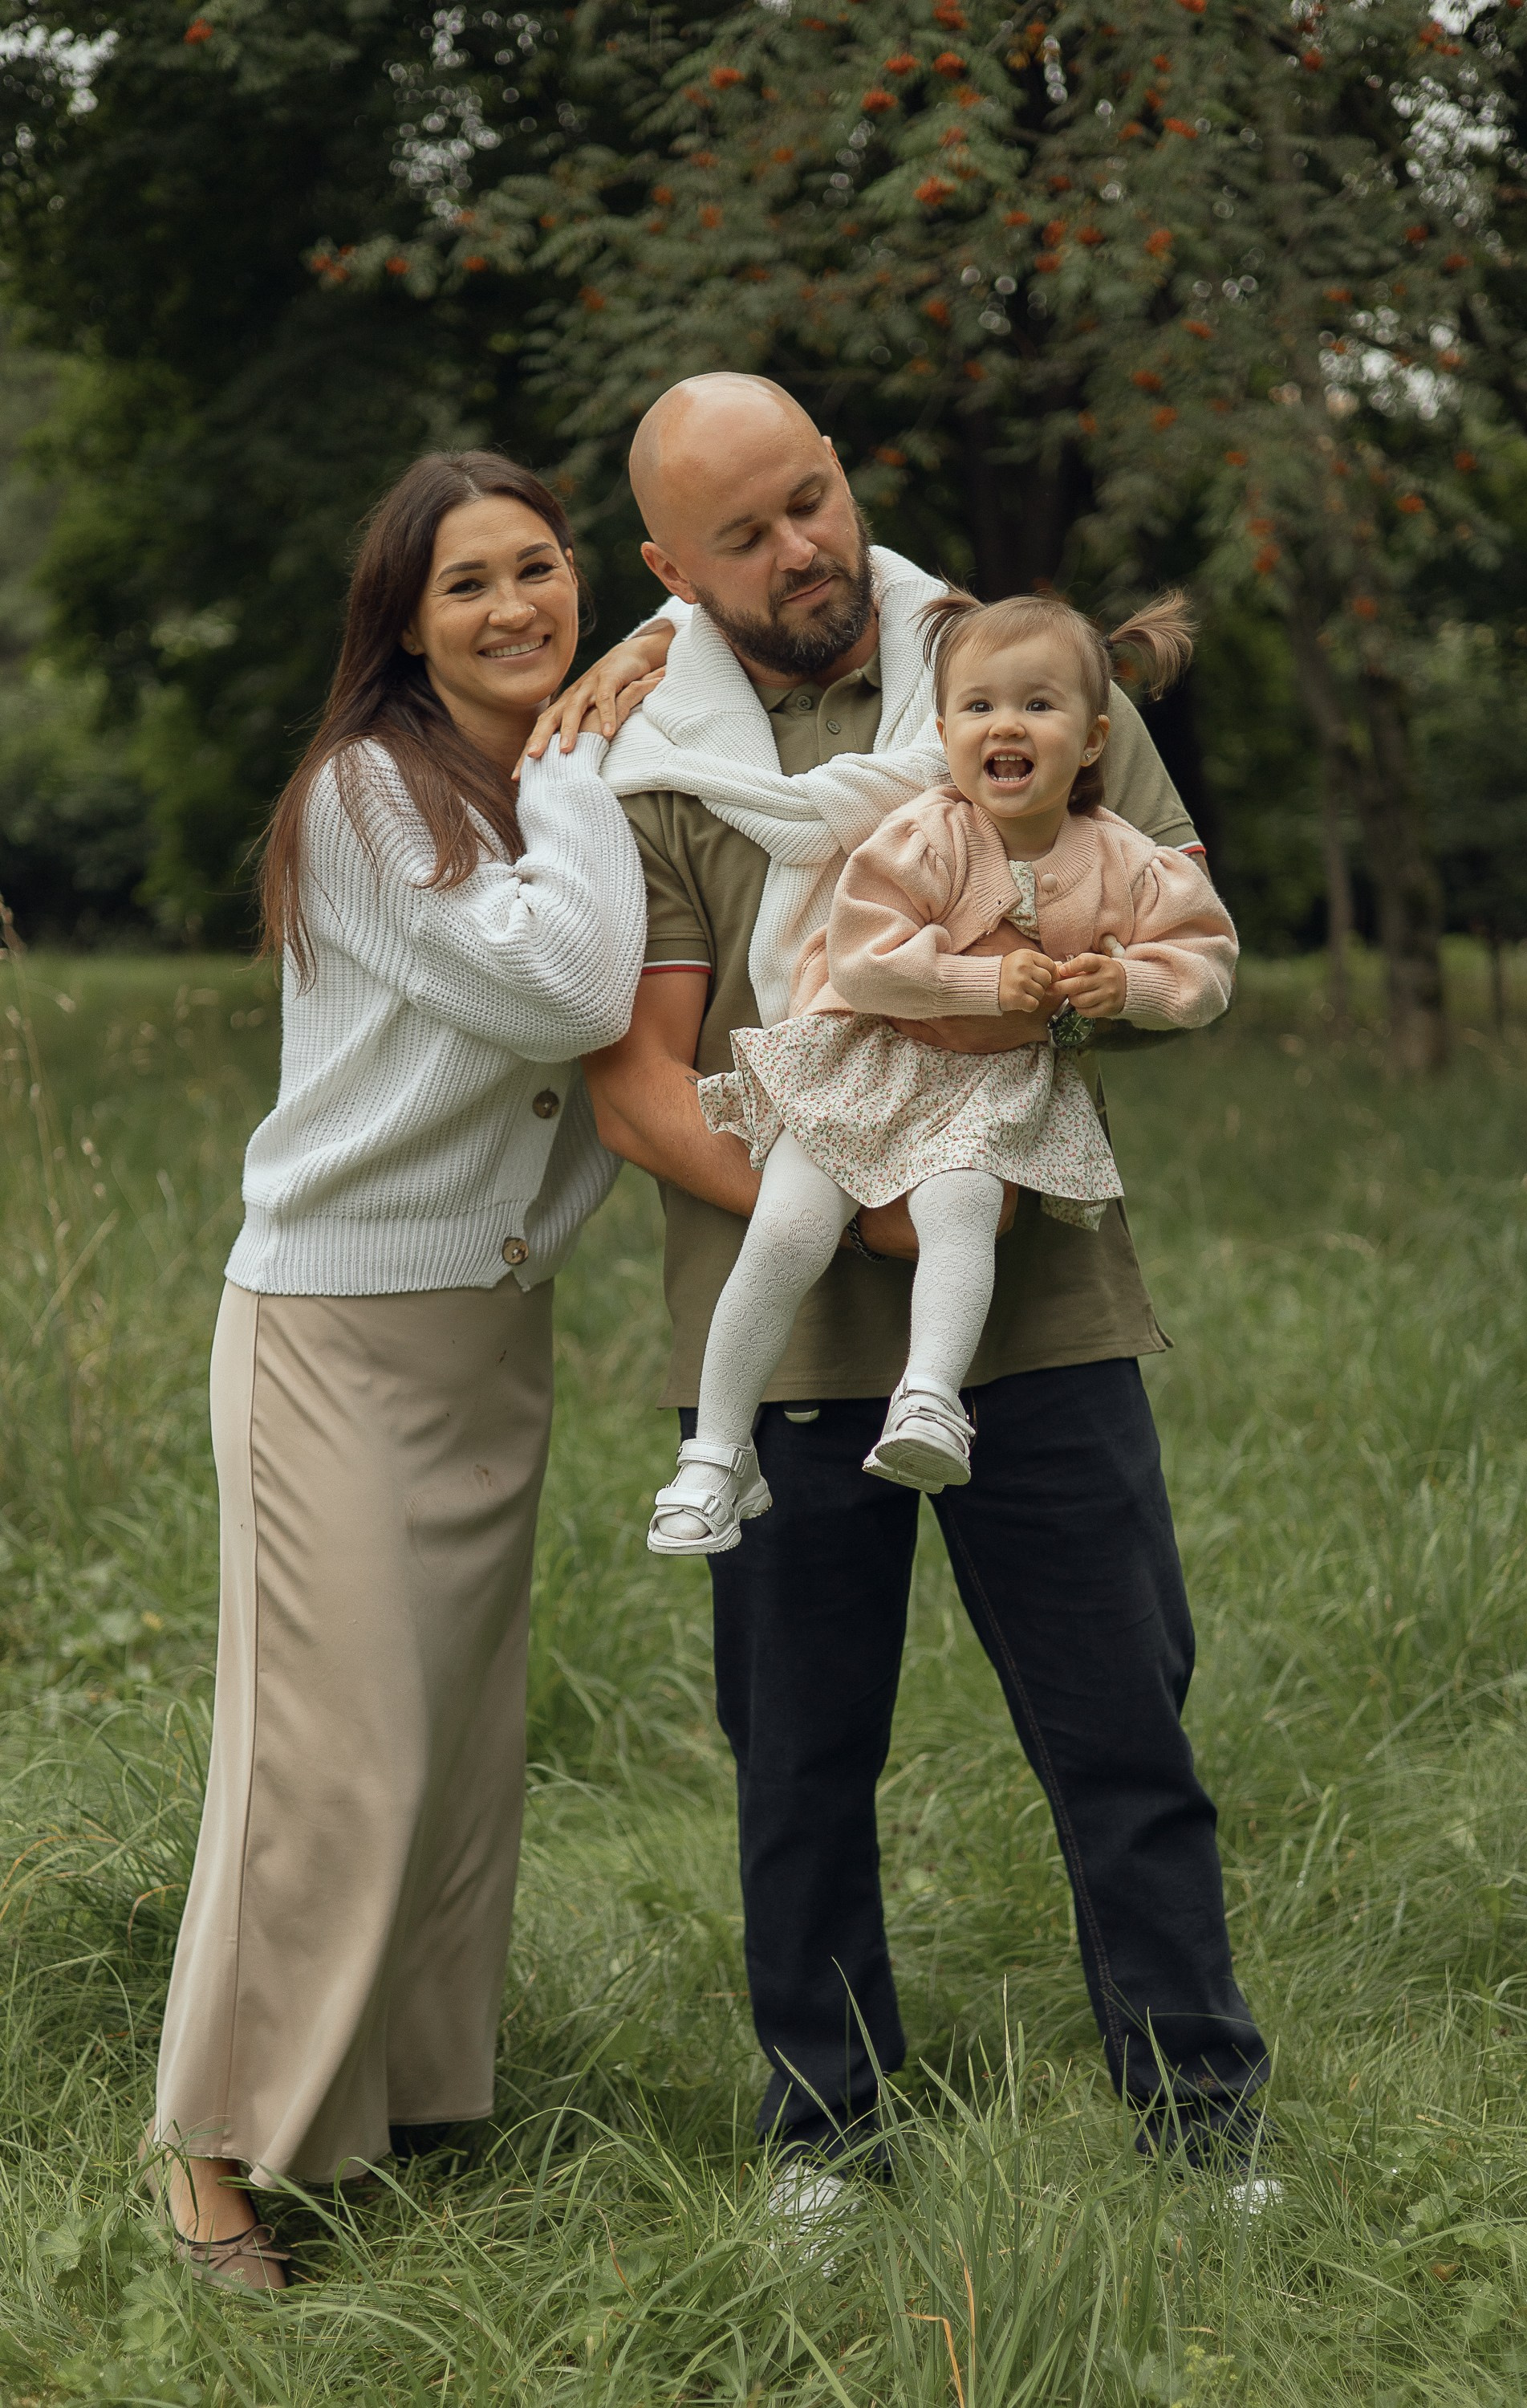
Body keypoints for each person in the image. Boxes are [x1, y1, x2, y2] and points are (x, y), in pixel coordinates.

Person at [560, 373, 1270, 2194]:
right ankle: (827, 2127)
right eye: (746, 530)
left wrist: (1099, 991)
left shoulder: (1019, 670)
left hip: (1030, 1296)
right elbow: (636, 1076)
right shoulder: (640, 757)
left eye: (812, 496)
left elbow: (1163, 920)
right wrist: (868, 1196)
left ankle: (1199, 2117)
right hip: (786, 1303)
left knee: (1121, 1722)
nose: (804, 546)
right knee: (799, 1758)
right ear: (665, 565)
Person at [146, 451, 650, 2289]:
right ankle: (211, 2150)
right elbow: (573, 1000)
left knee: (453, 1747)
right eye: (466, 585)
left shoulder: (556, 788)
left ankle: (404, 2098)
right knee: (331, 1757)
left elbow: (627, 1043)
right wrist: (591, 759)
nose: (516, 604)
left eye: (539, 565)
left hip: (484, 1334)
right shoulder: (367, 794)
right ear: (403, 624)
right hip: (332, 1338)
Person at [647, 584, 1237, 1547]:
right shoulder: (926, 830)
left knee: (962, 1205)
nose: (1005, 725)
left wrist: (1125, 982)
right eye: (978, 706)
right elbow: (861, 957)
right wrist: (980, 983)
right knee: (789, 1228)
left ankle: (928, 1401)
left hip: (984, 1089)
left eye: (1036, 706)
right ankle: (717, 1454)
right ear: (944, 730)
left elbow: (1206, 958)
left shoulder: (1121, 857)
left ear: (1092, 740)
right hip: (864, 1061)